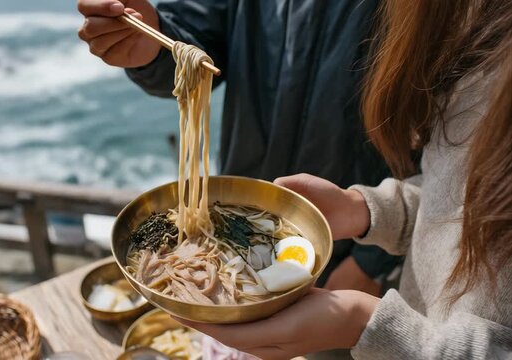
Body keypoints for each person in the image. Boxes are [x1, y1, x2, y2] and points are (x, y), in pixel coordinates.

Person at [172, 1, 512, 359]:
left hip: (380, 314)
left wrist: (363, 319)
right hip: (383, 294)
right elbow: (456, 197)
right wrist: (367, 210)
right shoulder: (477, 22)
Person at [77, 0, 402, 297]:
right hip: (232, 225)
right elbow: (193, 41)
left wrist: (372, 263)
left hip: (357, 240)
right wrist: (154, 43)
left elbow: (432, 138)